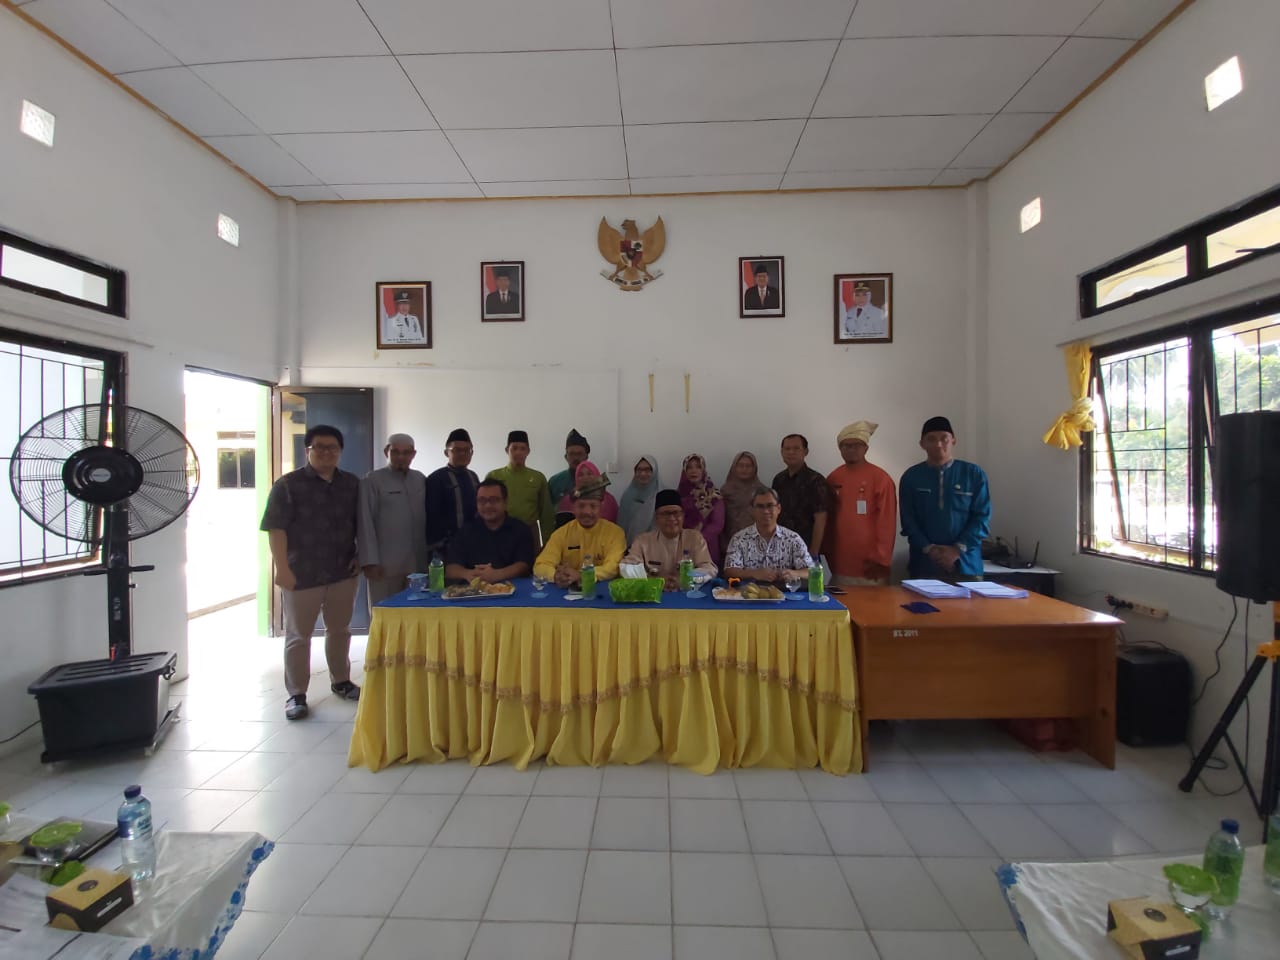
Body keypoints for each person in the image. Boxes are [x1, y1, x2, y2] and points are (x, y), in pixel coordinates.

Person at [260, 424, 361, 721]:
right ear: (307, 450)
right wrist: (282, 568)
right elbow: (276, 529)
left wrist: (361, 556)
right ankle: (296, 694)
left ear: (340, 451)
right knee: (299, 636)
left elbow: (362, 524)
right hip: (301, 573)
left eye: (333, 448)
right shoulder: (288, 485)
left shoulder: (351, 484)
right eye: (320, 447)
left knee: (340, 630)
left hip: (342, 571)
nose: (327, 453)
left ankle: (341, 681)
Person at [899, 415, 991, 580]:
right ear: (922, 444)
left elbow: (982, 517)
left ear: (953, 440)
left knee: (971, 599)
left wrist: (956, 550)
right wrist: (930, 549)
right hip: (924, 564)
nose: (938, 444)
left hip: (966, 564)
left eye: (944, 438)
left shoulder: (973, 474)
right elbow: (908, 520)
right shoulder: (911, 477)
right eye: (931, 439)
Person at [357, 432, 428, 608]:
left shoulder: (420, 479)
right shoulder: (373, 480)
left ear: (413, 454)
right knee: (384, 612)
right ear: (386, 452)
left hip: (417, 565)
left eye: (406, 452)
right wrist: (369, 561)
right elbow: (365, 523)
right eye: (395, 452)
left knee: (416, 613)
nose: (401, 457)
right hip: (384, 566)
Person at [826, 420, 897, 585]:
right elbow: (827, 520)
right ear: (840, 449)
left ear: (866, 448)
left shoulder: (881, 479)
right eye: (846, 445)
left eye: (856, 445)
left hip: (872, 568)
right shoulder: (834, 477)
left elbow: (887, 523)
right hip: (840, 564)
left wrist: (882, 559)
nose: (851, 449)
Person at [533, 475, 627, 588]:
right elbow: (540, 565)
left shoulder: (615, 533)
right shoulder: (561, 533)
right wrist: (556, 575)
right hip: (566, 590)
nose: (587, 512)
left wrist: (582, 575)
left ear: (601, 507)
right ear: (573, 507)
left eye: (593, 506)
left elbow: (613, 567)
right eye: (581, 506)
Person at [620, 489, 716, 590]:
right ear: (656, 518)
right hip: (653, 593)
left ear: (683, 516)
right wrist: (654, 580)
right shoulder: (643, 541)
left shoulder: (695, 538)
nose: (671, 518)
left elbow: (708, 568)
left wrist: (686, 579)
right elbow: (626, 567)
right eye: (665, 513)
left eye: (676, 513)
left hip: (685, 593)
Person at [444, 479, 535, 583]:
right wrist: (468, 574)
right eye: (482, 500)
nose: (487, 505)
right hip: (473, 589)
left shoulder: (521, 529)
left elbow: (524, 565)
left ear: (505, 502)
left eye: (494, 500)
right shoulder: (466, 531)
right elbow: (450, 569)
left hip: (513, 589)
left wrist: (498, 574)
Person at [723, 486, 814, 582]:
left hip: (784, 590)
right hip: (750, 590)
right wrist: (754, 573)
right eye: (760, 506)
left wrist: (794, 573)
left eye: (770, 505)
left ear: (779, 508)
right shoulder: (739, 538)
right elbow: (729, 571)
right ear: (752, 510)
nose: (765, 511)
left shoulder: (793, 538)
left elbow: (812, 571)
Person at [487, 430, 554, 548]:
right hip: (500, 532)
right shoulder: (494, 476)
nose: (518, 452)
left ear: (528, 451)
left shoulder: (538, 478)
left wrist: (548, 543)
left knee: (531, 560)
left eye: (522, 448)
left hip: (529, 533)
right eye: (514, 448)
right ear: (507, 450)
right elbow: (485, 508)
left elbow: (546, 514)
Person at [772, 433, 829, 558]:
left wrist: (813, 552)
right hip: (781, 547)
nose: (791, 452)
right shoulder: (778, 479)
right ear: (782, 452)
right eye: (787, 449)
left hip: (806, 547)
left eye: (796, 448)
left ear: (806, 451)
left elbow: (821, 518)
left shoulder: (816, 481)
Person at [425, 428, 480, 556]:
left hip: (472, 543)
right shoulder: (436, 478)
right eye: (457, 450)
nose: (462, 454)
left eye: (467, 450)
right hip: (443, 548)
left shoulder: (473, 477)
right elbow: (432, 517)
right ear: (446, 452)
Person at [679, 453, 725, 568]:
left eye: (698, 467)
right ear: (685, 471)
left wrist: (698, 539)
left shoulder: (714, 495)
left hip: (706, 546)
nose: (693, 471)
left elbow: (717, 524)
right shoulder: (679, 494)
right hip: (681, 545)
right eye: (689, 467)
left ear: (703, 470)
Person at [719, 451, 760, 552]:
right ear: (734, 467)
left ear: (754, 468)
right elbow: (720, 519)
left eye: (748, 466)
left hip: (756, 542)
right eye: (741, 465)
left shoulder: (761, 491)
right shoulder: (725, 491)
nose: (744, 469)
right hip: (729, 541)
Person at [617, 454, 660, 543]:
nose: (643, 473)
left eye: (647, 470)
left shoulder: (663, 495)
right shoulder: (627, 496)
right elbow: (621, 526)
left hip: (656, 545)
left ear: (654, 471)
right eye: (639, 470)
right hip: (630, 546)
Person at [548, 428, 590, 505]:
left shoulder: (595, 481)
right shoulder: (554, 482)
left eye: (579, 454)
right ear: (566, 457)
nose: (575, 458)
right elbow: (548, 509)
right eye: (571, 454)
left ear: (586, 457)